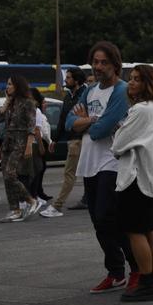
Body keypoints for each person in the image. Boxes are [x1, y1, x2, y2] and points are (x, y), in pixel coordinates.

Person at [66, 42, 137, 293]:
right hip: (90, 162)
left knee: (109, 216)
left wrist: (86, 121)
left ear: (115, 65)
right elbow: (68, 122)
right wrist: (91, 120)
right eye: (95, 62)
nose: (98, 67)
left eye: (104, 62)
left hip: (112, 161)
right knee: (98, 221)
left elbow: (101, 130)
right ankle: (115, 273)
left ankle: (137, 268)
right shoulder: (90, 90)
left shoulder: (121, 90)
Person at [113, 65, 153, 302]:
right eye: (131, 78)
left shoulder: (140, 110)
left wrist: (120, 132)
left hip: (135, 177)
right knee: (150, 228)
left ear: (148, 83)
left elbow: (118, 144)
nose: (131, 83)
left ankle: (146, 280)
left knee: (135, 230)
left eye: (137, 79)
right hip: (150, 177)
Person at [0, 75, 40, 223]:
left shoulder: (28, 103)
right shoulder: (11, 102)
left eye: (10, 84)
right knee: (6, 176)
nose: (7, 87)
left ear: (17, 86)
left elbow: (31, 126)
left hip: (20, 142)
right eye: (7, 84)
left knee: (10, 174)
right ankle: (15, 209)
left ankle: (31, 200)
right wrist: (6, 102)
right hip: (8, 142)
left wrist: (29, 145)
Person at [52, 68, 87, 212]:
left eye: (68, 78)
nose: (65, 80)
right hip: (71, 139)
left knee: (69, 172)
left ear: (76, 80)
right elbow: (62, 119)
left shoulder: (85, 94)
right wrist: (55, 139)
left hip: (80, 138)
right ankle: (88, 199)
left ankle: (57, 205)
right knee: (85, 172)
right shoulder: (68, 97)